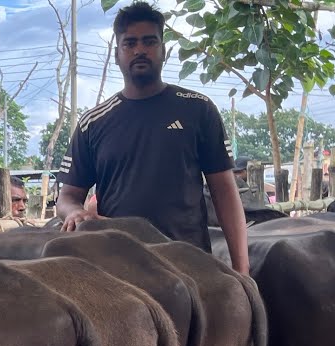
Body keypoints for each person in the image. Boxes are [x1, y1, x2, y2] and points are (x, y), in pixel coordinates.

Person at [55, 1, 249, 274]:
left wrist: (242, 270)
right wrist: (74, 212)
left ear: (164, 50)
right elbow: (67, 197)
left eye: (149, 41)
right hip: (119, 267)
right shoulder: (93, 123)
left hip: (190, 263)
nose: (139, 50)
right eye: (129, 43)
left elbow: (225, 191)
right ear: (117, 55)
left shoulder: (198, 109)